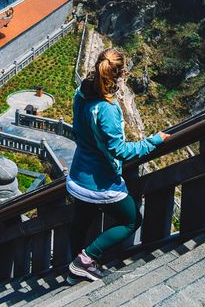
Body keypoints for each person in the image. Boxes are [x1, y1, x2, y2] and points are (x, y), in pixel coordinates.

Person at [67, 49, 169, 282]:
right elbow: (120, 151)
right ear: (121, 73)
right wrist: (152, 141)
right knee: (131, 220)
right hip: (100, 181)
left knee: (80, 223)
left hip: (77, 177)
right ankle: (85, 259)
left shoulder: (80, 92)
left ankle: (74, 270)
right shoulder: (107, 109)